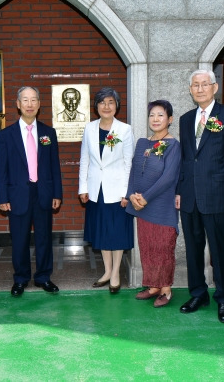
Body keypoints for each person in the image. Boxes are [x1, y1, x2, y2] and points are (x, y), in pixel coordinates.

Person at [175, 69, 224, 323]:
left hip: (218, 194)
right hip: (190, 196)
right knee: (193, 248)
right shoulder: (185, 119)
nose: (200, 89)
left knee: (219, 249)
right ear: (190, 90)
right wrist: (180, 191)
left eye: (205, 84)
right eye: (195, 85)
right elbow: (185, 160)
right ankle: (198, 293)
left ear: (215, 87)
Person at [0, 86, 63, 297]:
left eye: (34, 100)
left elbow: (54, 166)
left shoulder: (48, 133)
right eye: (25, 100)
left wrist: (57, 193)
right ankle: (21, 278)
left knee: (44, 237)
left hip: (42, 192)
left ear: (39, 103)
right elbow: (1, 169)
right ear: (18, 104)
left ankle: (43, 277)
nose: (29, 104)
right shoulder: (6, 135)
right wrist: (3, 197)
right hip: (17, 195)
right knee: (19, 239)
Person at [79, 87, 134, 294]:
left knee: (117, 231)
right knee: (102, 231)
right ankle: (107, 271)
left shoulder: (125, 130)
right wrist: (83, 187)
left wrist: (126, 192)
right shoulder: (89, 128)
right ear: (96, 106)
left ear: (117, 105)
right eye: (102, 102)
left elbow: (129, 162)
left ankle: (116, 273)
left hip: (117, 189)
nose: (106, 106)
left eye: (111, 102)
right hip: (96, 189)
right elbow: (85, 159)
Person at [126, 100, 181, 307]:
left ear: (170, 119)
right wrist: (131, 195)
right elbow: (133, 171)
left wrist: (145, 197)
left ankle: (165, 288)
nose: (155, 119)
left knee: (163, 247)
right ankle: (153, 286)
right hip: (141, 206)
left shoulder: (173, 145)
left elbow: (168, 178)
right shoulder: (142, 143)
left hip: (161, 206)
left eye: (160, 115)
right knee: (147, 246)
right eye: (152, 115)